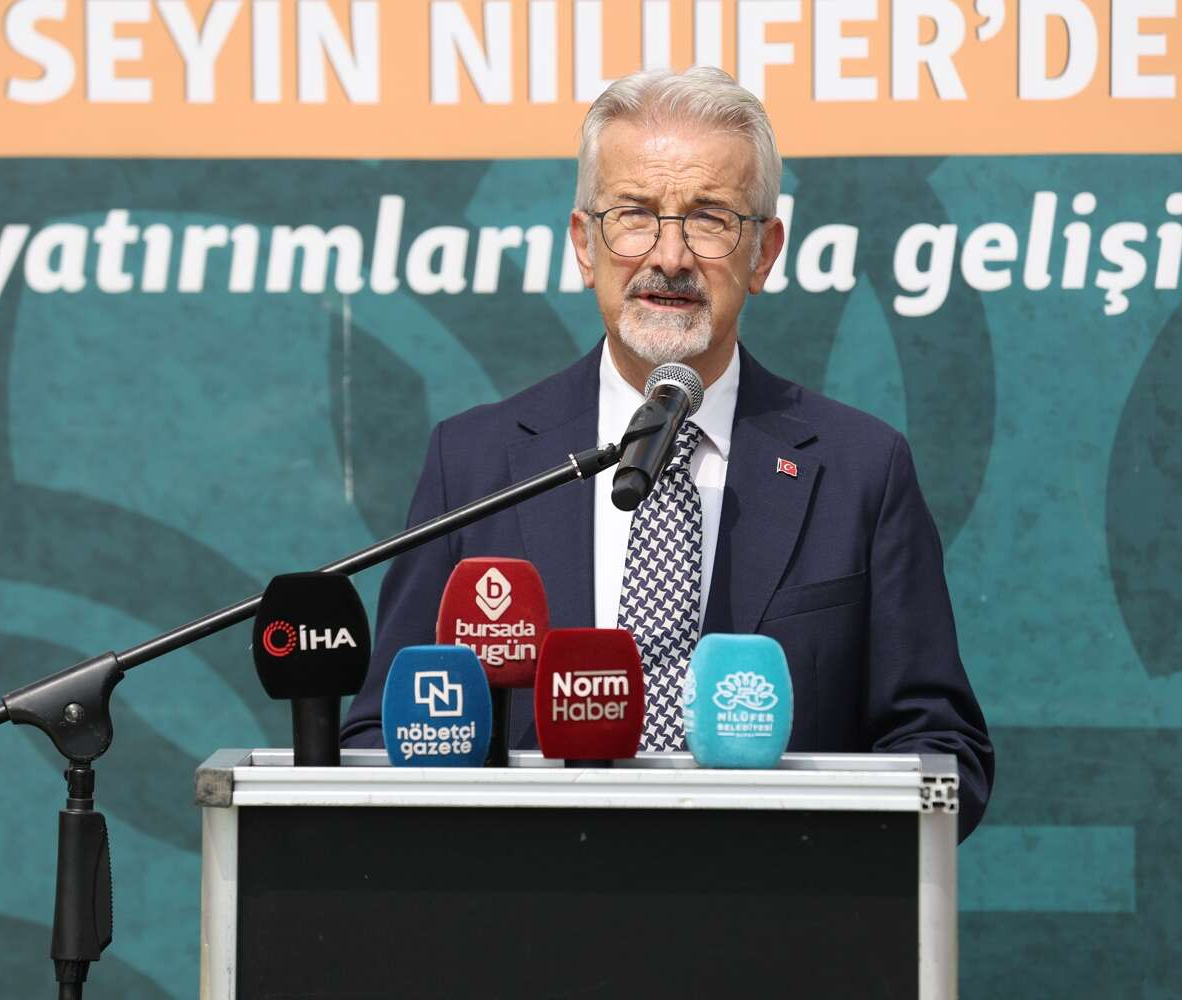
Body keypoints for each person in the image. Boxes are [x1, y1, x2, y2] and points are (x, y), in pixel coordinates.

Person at [342, 67, 993, 839]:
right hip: (526, 896)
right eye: (635, 215)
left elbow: (941, 752)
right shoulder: (476, 463)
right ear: (585, 245)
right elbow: (381, 737)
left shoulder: (861, 470)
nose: (672, 256)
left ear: (764, 252)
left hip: (779, 898)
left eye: (710, 219)